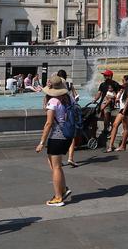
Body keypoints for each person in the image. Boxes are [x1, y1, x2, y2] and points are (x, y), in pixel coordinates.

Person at [35, 76, 73, 207]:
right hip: (67, 136)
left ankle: (58, 197)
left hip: (57, 136)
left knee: (56, 167)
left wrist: (41, 143)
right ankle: (63, 189)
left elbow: (49, 123)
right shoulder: (67, 99)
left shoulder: (53, 102)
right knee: (55, 164)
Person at [108, 75, 128, 152]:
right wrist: (119, 95)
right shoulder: (123, 89)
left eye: (123, 80)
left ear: (127, 81)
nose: (122, 82)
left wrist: (124, 111)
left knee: (125, 128)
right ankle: (111, 145)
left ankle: (123, 146)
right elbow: (118, 97)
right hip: (123, 109)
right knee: (115, 124)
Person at [94, 70, 121, 134]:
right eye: (104, 75)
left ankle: (106, 127)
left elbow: (119, 93)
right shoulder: (102, 84)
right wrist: (95, 100)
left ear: (110, 76)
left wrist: (115, 98)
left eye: (106, 75)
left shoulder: (115, 84)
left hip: (111, 102)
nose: (104, 76)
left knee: (106, 110)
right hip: (103, 101)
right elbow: (99, 93)